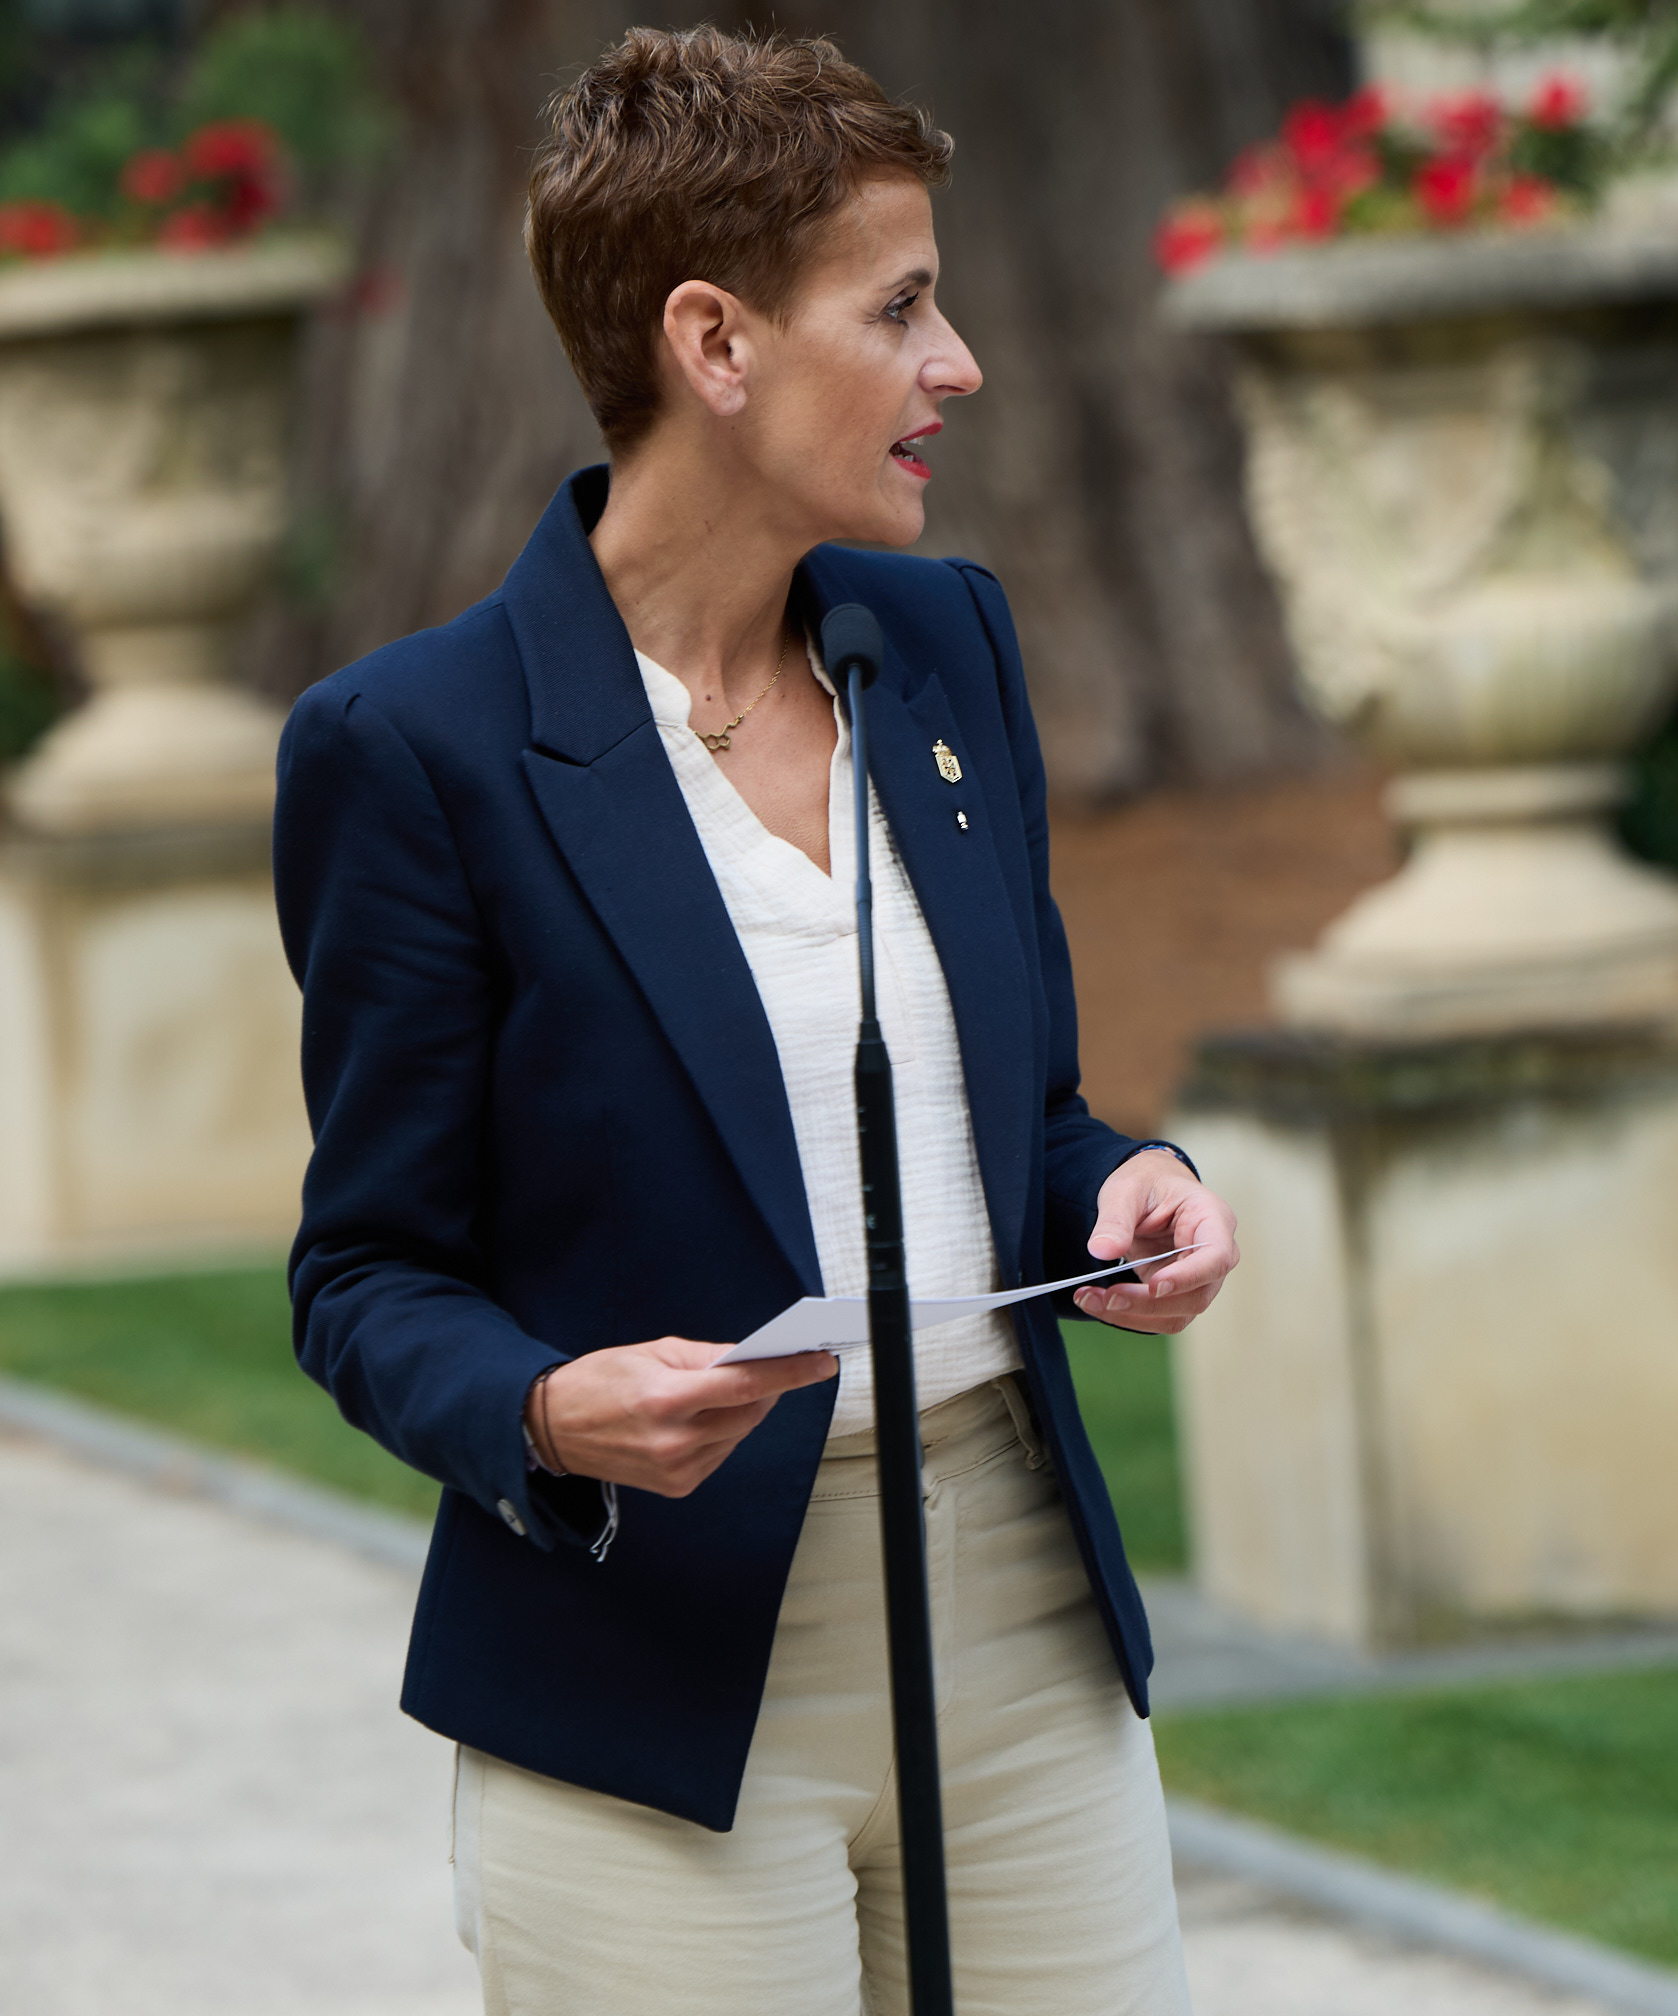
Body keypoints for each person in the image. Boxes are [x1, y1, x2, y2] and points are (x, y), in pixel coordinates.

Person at [272, 28, 1231, 2012]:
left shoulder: (944, 643)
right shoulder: (417, 752)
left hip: (1022, 1632)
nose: (955, 363)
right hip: (654, 1682)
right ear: (715, 343)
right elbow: (368, 1274)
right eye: (899, 308)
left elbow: (1016, 1117)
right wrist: (545, 1411)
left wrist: (1125, 1181)